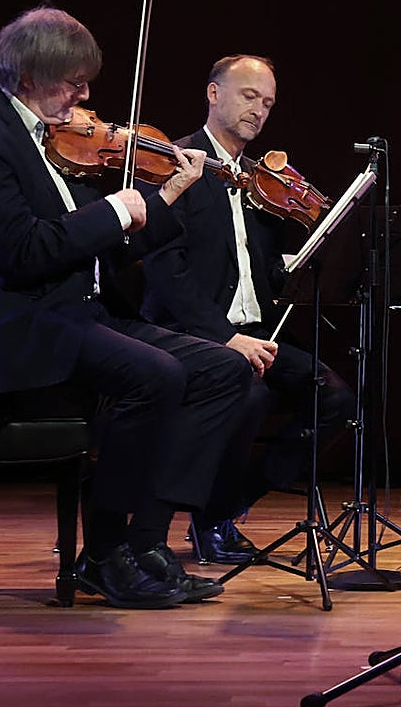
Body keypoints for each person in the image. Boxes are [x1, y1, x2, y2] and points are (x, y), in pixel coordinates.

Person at [0, 5, 255, 608]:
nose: (85, 94)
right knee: (156, 375)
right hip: (12, 323)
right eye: (73, 81)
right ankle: (101, 554)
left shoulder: (45, 137)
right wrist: (115, 210)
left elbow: (105, 245)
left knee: (222, 369)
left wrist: (164, 194)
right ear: (28, 74)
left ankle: (145, 542)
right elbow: (22, 252)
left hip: (72, 312)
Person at [139, 55, 356, 565]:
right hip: (188, 332)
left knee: (336, 399)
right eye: (248, 96)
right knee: (249, 394)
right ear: (213, 95)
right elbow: (164, 270)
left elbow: (259, 271)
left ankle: (230, 504)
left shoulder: (261, 182)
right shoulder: (177, 162)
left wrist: (304, 258)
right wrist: (223, 336)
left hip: (254, 330)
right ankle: (207, 516)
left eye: (267, 102)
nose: (258, 110)